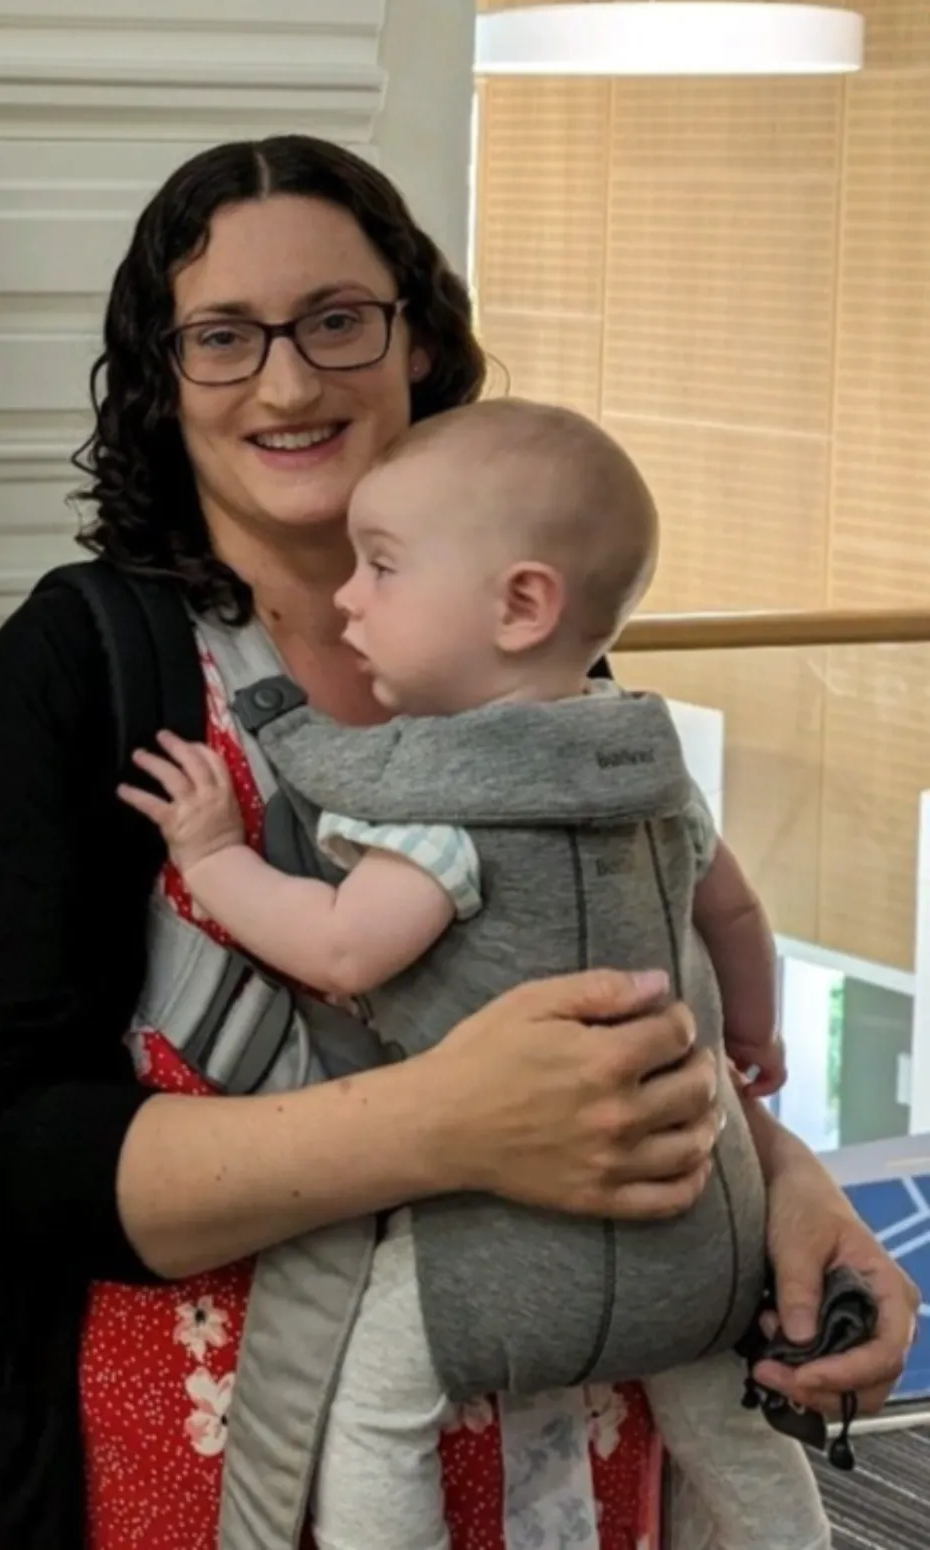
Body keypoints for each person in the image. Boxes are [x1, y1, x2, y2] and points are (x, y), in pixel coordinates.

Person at [0, 134, 918, 1550]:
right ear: (161, 377)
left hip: (584, 1438)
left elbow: (641, 985)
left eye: (337, 320)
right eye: (222, 337)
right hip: (210, 1475)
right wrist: (442, 1125)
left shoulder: (550, 673)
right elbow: (14, 1163)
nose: (287, 379)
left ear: (420, 340)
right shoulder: (74, 676)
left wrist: (788, 1181)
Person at [124, 396, 825, 1550]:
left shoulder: (446, 809)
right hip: (704, 1240)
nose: (349, 595)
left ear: (521, 605)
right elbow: (735, 910)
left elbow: (343, 943)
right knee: (734, 1431)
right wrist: (757, 1032)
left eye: (382, 568)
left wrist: (212, 858)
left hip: (518, 1254)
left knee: (374, 1408)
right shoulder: (641, 766)